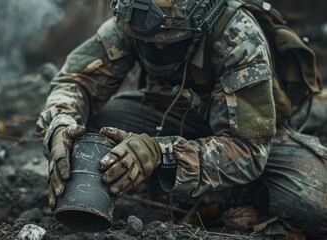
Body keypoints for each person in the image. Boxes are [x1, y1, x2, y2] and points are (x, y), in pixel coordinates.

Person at [36, 0, 327, 238]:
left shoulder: (237, 36)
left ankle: (236, 191)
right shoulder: (130, 18)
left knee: (311, 207)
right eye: (148, 41)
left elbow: (249, 150)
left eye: (171, 40)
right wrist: (61, 127)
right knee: (94, 129)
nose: (158, 48)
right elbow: (76, 82)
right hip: (173, 115)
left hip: (254, 135)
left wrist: (161, 155)